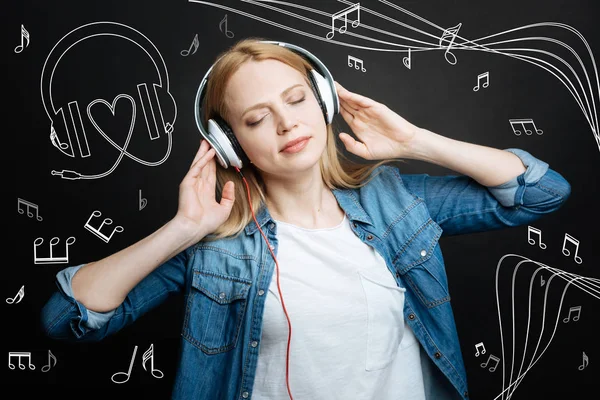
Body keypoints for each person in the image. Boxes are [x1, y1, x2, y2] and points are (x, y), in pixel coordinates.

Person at [40, 38, 571, 400]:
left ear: (321, 103)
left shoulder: (395, 202)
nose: (286, 122)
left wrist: (414, 142)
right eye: (255, 118)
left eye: (296, 100)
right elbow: (67, 319)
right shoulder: (216, 245)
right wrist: (183, 228)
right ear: (230, 144)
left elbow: (540, 193)